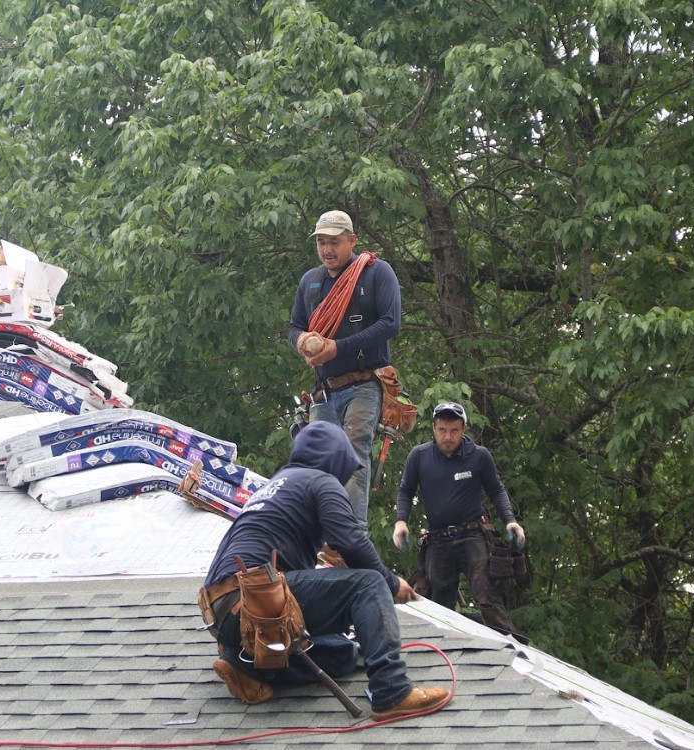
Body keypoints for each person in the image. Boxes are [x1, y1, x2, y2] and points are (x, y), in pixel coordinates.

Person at [199, 421, 449, 720]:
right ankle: (391, 690)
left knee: (343, 654)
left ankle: (245, 666)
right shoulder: (320, 480)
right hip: (258, 599)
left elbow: (296, 538)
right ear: (335, 460)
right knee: (368, 584)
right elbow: (351, 541)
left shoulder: (277, 484)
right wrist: (390, 582)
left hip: (227, 615)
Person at [287, 209, 401, 530]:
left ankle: (351, 534)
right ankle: (321, 535)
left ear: (351, 241)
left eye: (334, 242)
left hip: (364, 383)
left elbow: (390, 323)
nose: (327, 250)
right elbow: (294, 326)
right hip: (324, 390)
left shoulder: (377, 273)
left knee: (353, 453)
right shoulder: (310, 281)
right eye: (321, 243)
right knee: (318, 460)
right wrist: (303, 342)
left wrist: (338, 347)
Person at [391, 402, 524, 634]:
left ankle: (511, 645)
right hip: (439, 539)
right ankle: (441, 651)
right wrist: (401, 521)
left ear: (463, 429)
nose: (448, 436)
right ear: (433, 429)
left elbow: (496, 490)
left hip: (473, 535)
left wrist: (510, 520)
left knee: (485, 596)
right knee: (438, 603)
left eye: (454, 430)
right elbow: (405, 490)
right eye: (442, 430)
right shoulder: (419, 456)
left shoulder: (479, 456)